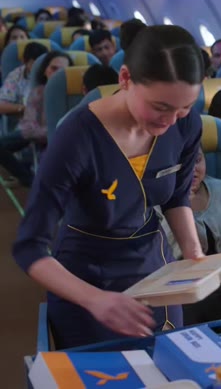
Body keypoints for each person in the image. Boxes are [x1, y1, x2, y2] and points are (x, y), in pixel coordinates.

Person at [11, 25, 206, 349]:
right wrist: (96, 300)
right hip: (86, 279)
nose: (172, 120)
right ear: (125, 78)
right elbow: (28, 247)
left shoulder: (186, 124)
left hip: (155, 272)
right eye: (160, 107)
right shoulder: (76, 137)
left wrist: (194, 254)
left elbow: (175, 197)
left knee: (169, 366)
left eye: (184, 106)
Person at [161, 148, 221, 323]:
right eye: (182, 164)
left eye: (197, 160)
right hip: (183, 289)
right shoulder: (157, 203)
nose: (192, 169)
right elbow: (160, 253)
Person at [0, 50, 72, 187]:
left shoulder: (76, 94)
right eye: (53, 68)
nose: (57, 74)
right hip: (38, 134)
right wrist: (48, 133)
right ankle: (27, 178)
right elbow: (29, 125)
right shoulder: (38, 92)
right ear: (45, 71)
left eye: (62, 70)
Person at [0, 42, 48, 122]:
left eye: (42, 64)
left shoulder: (51, 72)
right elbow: (1, 105)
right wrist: (24, 108)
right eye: (34, 64)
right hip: (24, 120)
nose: (39, 68)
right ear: (24, 61)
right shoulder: (16, 76)